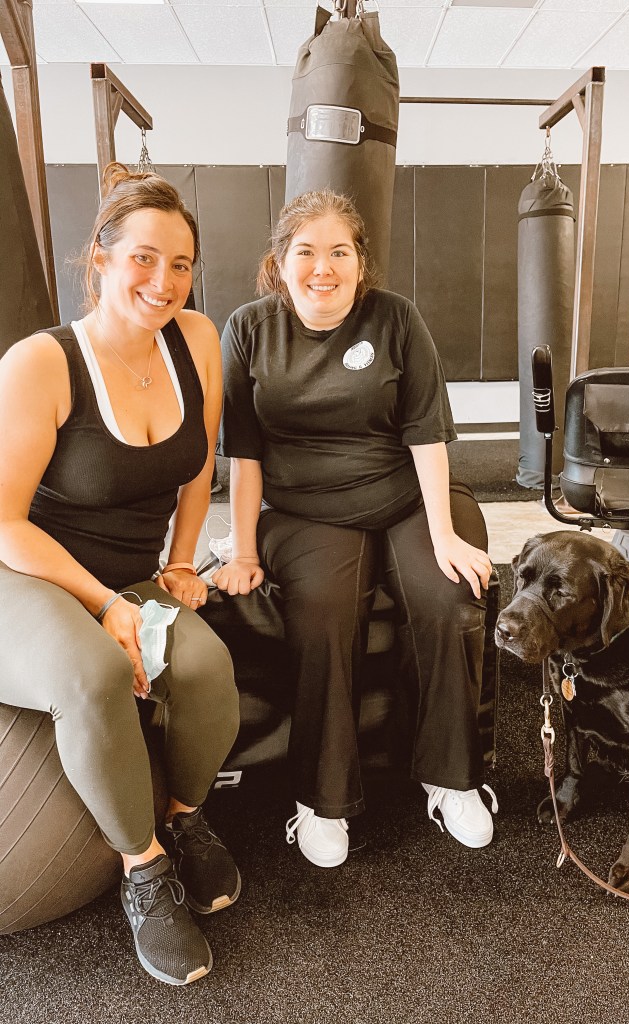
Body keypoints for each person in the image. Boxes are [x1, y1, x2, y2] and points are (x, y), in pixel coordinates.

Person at [0, 164, 240, 985]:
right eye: (143, 258)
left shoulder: (196, 340)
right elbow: (5, 521)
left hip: (132, 576)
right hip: (27, 573)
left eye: (180, 265)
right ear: (99, 258)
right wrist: (106, 604)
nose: (163, 281)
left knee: (206, 670)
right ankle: (144, 868)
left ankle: (183, 818)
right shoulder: (41, 363)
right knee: (96, 675)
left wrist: (180, 561)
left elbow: (198, 464)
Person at [214, 189, 496, 869]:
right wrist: (243, 549)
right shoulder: (249, 328)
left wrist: (444, 535)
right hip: (305, 509)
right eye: (306, 252)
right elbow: (243, 456)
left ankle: (451, 778)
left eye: (339, 252)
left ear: (360, 262)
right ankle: (323, 798)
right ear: (280, 261)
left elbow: (426, 434)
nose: (323, 268)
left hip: (408, 494)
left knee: (449, 595)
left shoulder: (395, 318)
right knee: (323, 611)